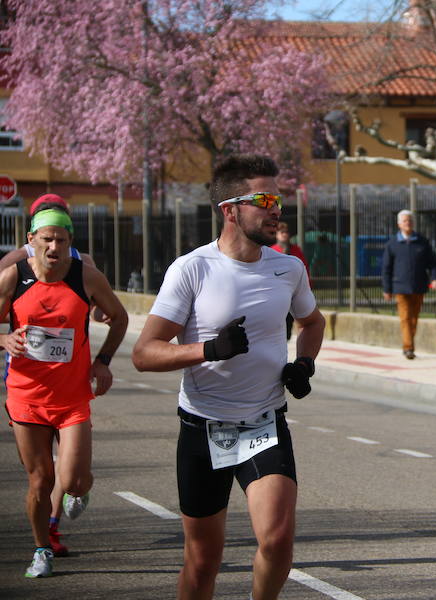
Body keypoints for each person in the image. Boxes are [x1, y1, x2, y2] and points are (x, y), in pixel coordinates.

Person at [131, 154, 326, 600]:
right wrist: (207, 350)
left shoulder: (287, 268)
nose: (276, 208)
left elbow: (313, 323)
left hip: (263, 422)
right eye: (264, 199)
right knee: (203, 562)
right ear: (230, 209)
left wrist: (304, 364)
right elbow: (144, 354)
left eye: (279, 198)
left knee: (276, 541)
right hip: (203, 425)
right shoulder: (192, 269)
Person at [0, 208, 128, 578]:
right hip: (26, 395)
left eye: (62, 240)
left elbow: (118, 317)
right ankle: (41, 550)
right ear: (31, 241)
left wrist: (102, 361)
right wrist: (5, 338)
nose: (55, 246)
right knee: (40, 480)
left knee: (73, 480)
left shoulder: (85, 277)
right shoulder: (14, 277)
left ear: (71, 244)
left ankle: (80, 489)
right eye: (47, 239)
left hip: (71, 398)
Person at [381, 209, 436, 359]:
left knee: (414, 318)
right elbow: (386, 268)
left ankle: (409, 344)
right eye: (405, 221)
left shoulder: (422, 241)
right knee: (405, 317)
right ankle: (408, 347)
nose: (408, 223)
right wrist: (387, 289)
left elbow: (432, 262)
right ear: (399, 224)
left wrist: (434, 278)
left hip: (418, 286)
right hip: (400, 287)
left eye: (410, 221)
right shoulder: (392, 244)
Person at [269, 221, 310, 340]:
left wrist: (307, 286)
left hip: (293, 293)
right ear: (276, 234)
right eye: (281, 232)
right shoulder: (272, 251)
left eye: (286, 232)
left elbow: (304, 268)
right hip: (276, 293)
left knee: (289, 323)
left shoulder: (296, 250)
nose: (284, 235)